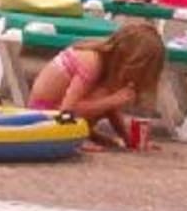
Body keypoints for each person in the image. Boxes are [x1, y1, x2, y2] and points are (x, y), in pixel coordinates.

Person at [28, 21, 165, 150]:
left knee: (106, 95)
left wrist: (129, 140)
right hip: (44, 116)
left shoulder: (107, 63)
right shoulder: (91, 62)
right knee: (104, 96)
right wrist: (113, 100)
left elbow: (111, 109)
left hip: (58, 113)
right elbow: (66, 111)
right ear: (127, 57)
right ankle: (75, 136)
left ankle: (86, 134)